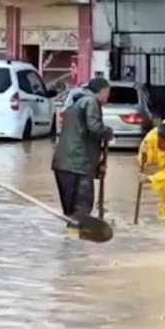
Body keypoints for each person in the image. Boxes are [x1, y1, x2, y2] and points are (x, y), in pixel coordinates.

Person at [51, 77, 113, 227]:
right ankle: (79, 243)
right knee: (82, 209)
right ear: (103, 91)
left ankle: (70, 244)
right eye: (108, 93)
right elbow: (94, 126)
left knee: (71, 212)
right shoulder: (91, 102)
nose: (108, 97)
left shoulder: (75, 102)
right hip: (78, 165)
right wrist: (108, 132)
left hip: (63, 164)